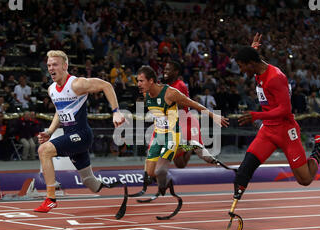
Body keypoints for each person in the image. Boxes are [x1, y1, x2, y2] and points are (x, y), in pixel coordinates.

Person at [233, 34, 320, 201]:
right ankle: (234, 204)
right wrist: (252, 47)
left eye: (241, 67)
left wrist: (256, 115)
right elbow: (253, 58)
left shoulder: (276, 78)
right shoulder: (256, 68)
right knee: (245, 169)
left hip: (286, 130)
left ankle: (319, 145)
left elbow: (285, 110)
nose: (241, 71)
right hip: (268, 130)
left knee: (305, 180)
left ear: (251, 64)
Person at [34, 50, 126, 213]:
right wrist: (50, 131)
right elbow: (59, 111)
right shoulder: (52, 90)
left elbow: (106, 85)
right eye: (49, 65)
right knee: (90, 183)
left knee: (44, 150)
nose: (51, 68)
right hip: (70, 136)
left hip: (82, 135)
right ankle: (117, 186)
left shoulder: (77, 84)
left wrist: (116, 111)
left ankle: (50, 199)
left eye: (55, 64)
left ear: (65, 66)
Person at [136, 65, 229, 196]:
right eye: (137, 81)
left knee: (162, 170)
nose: (138, 84)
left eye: (141, 81)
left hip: (172, 134)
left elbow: (193, 104)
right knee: (150, 173)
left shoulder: (171, 92)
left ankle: (189, 145)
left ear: (151, 81)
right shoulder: (146, 94)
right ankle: (187, 147)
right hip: (159, 134)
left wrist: (213, 115)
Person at [162, 60, 217, 168]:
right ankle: (189, 146)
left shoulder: (180, 85)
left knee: (179, 160)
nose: (165, 71)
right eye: (165, 69)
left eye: (168, 69)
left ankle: (190, 146)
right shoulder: (166, 86)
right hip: (173, 123)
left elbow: (182, 106)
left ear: (176, 72)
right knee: (180, 164)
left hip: (183, 122)